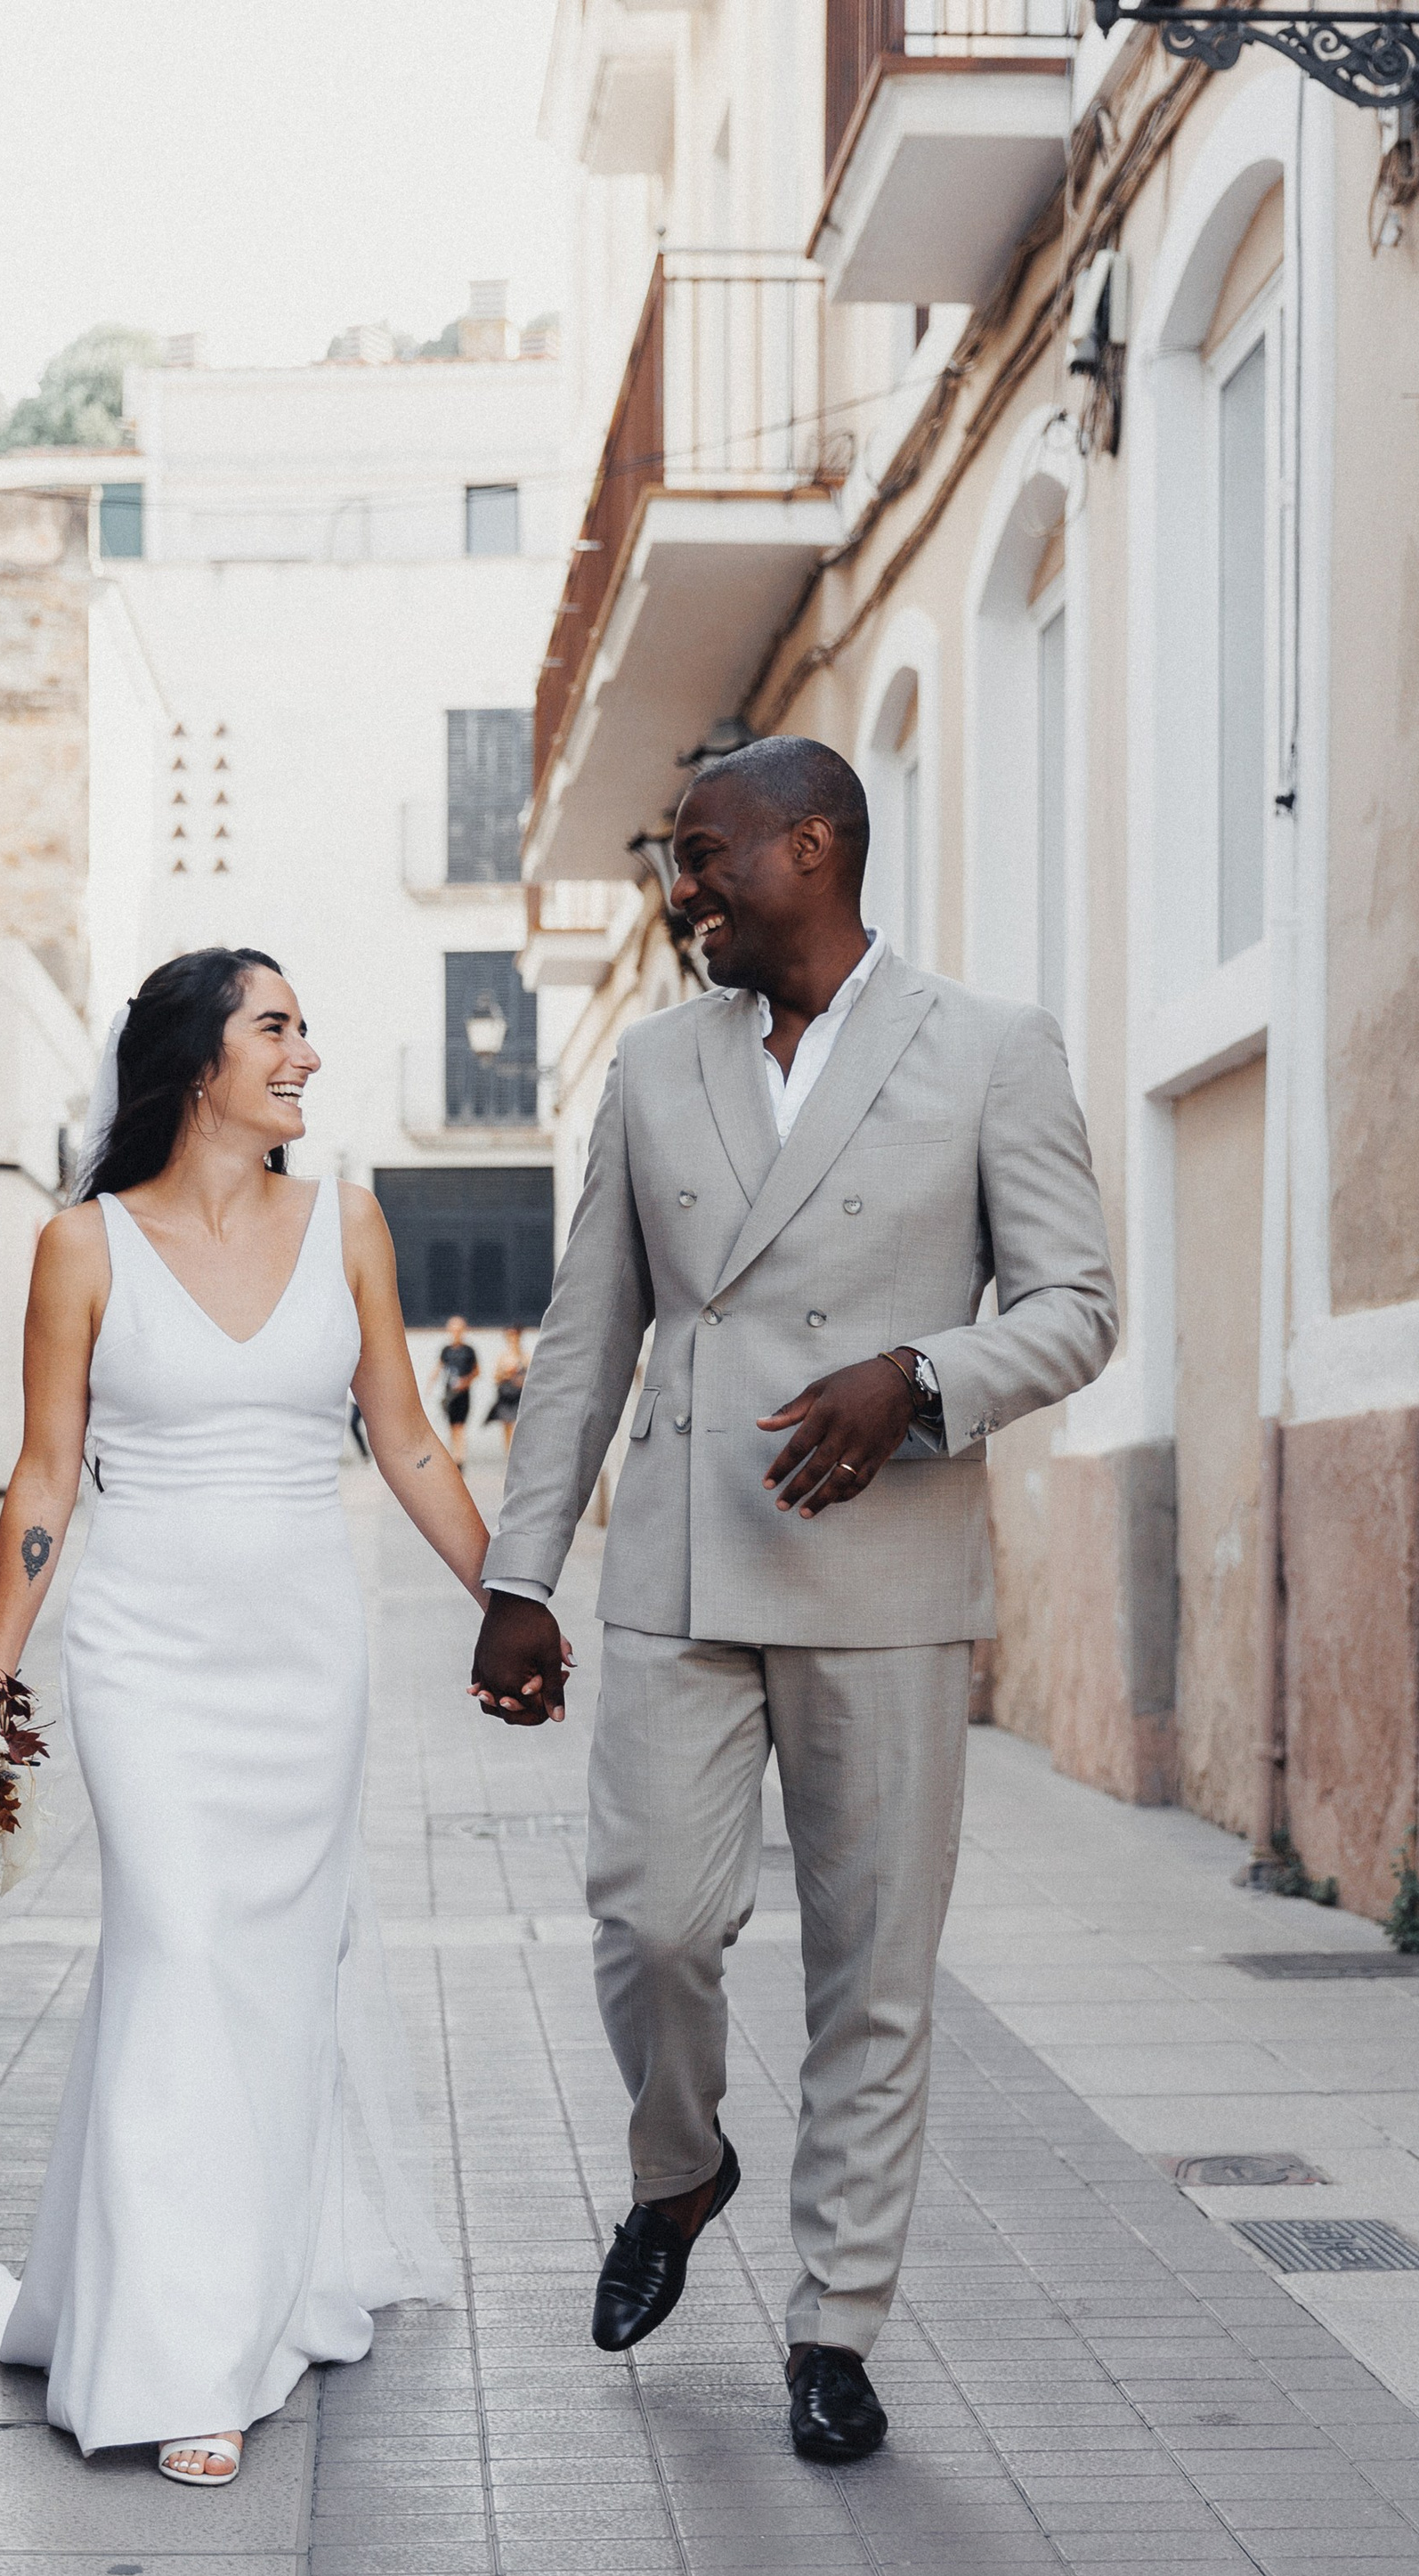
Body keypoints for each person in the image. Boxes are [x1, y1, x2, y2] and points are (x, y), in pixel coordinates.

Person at [470, 737, 1115, 2466]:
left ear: (812, 848)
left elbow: (1075, 1306)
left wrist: (919, 1376)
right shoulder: (652, 1066)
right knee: (648, 1922)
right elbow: (585, 1338)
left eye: (706, 856)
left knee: (870, 1975)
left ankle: (835, 2325)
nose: (683, 891)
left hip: (883, 1571)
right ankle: (680, 2167)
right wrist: (521, 1574)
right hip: (683, 1571)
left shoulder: (988, 1048)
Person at [0, 947, 496, 2485]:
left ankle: (232, 2282)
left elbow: (407, 1442)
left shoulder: (349, 1225)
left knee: (264, 1979)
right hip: (144, 1655)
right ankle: (183, 2356)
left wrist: (510, 1599)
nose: (307, 1055)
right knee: (180, 1947)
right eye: (277, 1028)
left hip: (303, 1659)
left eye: (304, 1029)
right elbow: (46, 1476)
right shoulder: (81, 1247)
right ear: (199, 1063)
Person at [434, 1316, 478, 1463]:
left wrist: (465, 1382)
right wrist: (430, 1386)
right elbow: (439, 1367)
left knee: (460, 1425)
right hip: (450, 1393)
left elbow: (477, 1371)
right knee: (451, 1425)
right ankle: (454, 1455)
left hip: (463, 1393)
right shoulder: (446, 1350)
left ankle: (460, 1456)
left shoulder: (469, 1350)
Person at [486, 1325, 528, 1459]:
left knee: (516, 1427)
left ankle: (516, 1455)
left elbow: (530, 1378)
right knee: (507, 1427)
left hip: (518, 1396)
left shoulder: (525, 1356)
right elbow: (496, 1377)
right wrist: (507, 1374)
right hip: (505, 1396)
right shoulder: (503, 1357)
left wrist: (520, 1378)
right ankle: (509, 1455)